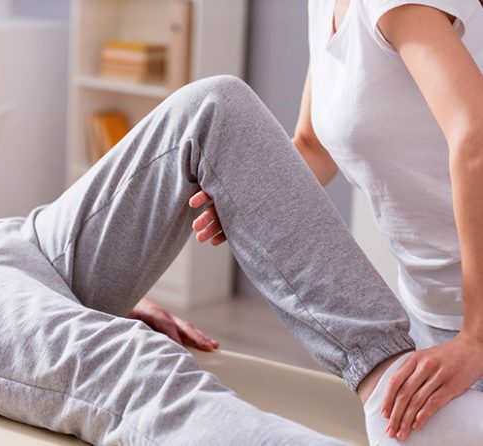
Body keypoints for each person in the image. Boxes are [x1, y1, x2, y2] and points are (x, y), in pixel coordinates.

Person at [0, 73, 417, 446]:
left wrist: (54, 289)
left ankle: (390, 377)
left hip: (13, 239)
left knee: (213, 107)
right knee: (134, 364)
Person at [195, 0, 483, 444]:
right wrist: (248, 199)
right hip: (431, 306)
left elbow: (475, 134)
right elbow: (313, 146)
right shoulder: (324, 6)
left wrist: (476, 337)